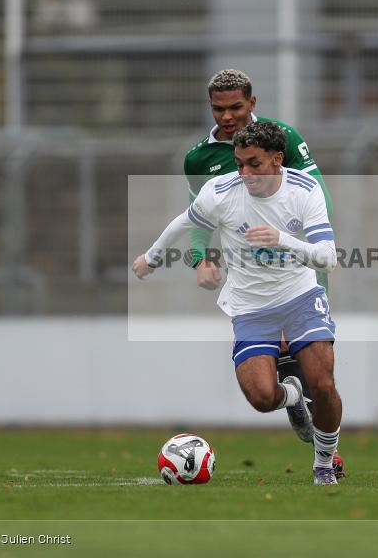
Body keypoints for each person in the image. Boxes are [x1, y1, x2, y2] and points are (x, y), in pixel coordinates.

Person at [134, 121, 344, 485]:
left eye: (254, 164)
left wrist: (283, 240)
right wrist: (151, 258)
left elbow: (328, 258)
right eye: (239, 163)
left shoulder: (304, 190)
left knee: (323, 385)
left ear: (278, 159)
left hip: (300, 296)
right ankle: (293, 397)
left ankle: (323, 464)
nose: (244, 173)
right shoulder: (221, 191)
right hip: (250, 307)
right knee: (262, 397)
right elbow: (183, 223)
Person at [183, 70, 340, 472]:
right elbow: (197, 223)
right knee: (274, 376)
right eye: (219, 109)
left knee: (313, 368)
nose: (227, 116)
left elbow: (316, 192)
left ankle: (327, 455)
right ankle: (293, 403)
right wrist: (200, 259)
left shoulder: (280, 137)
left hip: (297, 267)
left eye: (236, 107)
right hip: (249, 279)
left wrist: (306, 248)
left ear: (252, 103)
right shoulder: (199, 159)